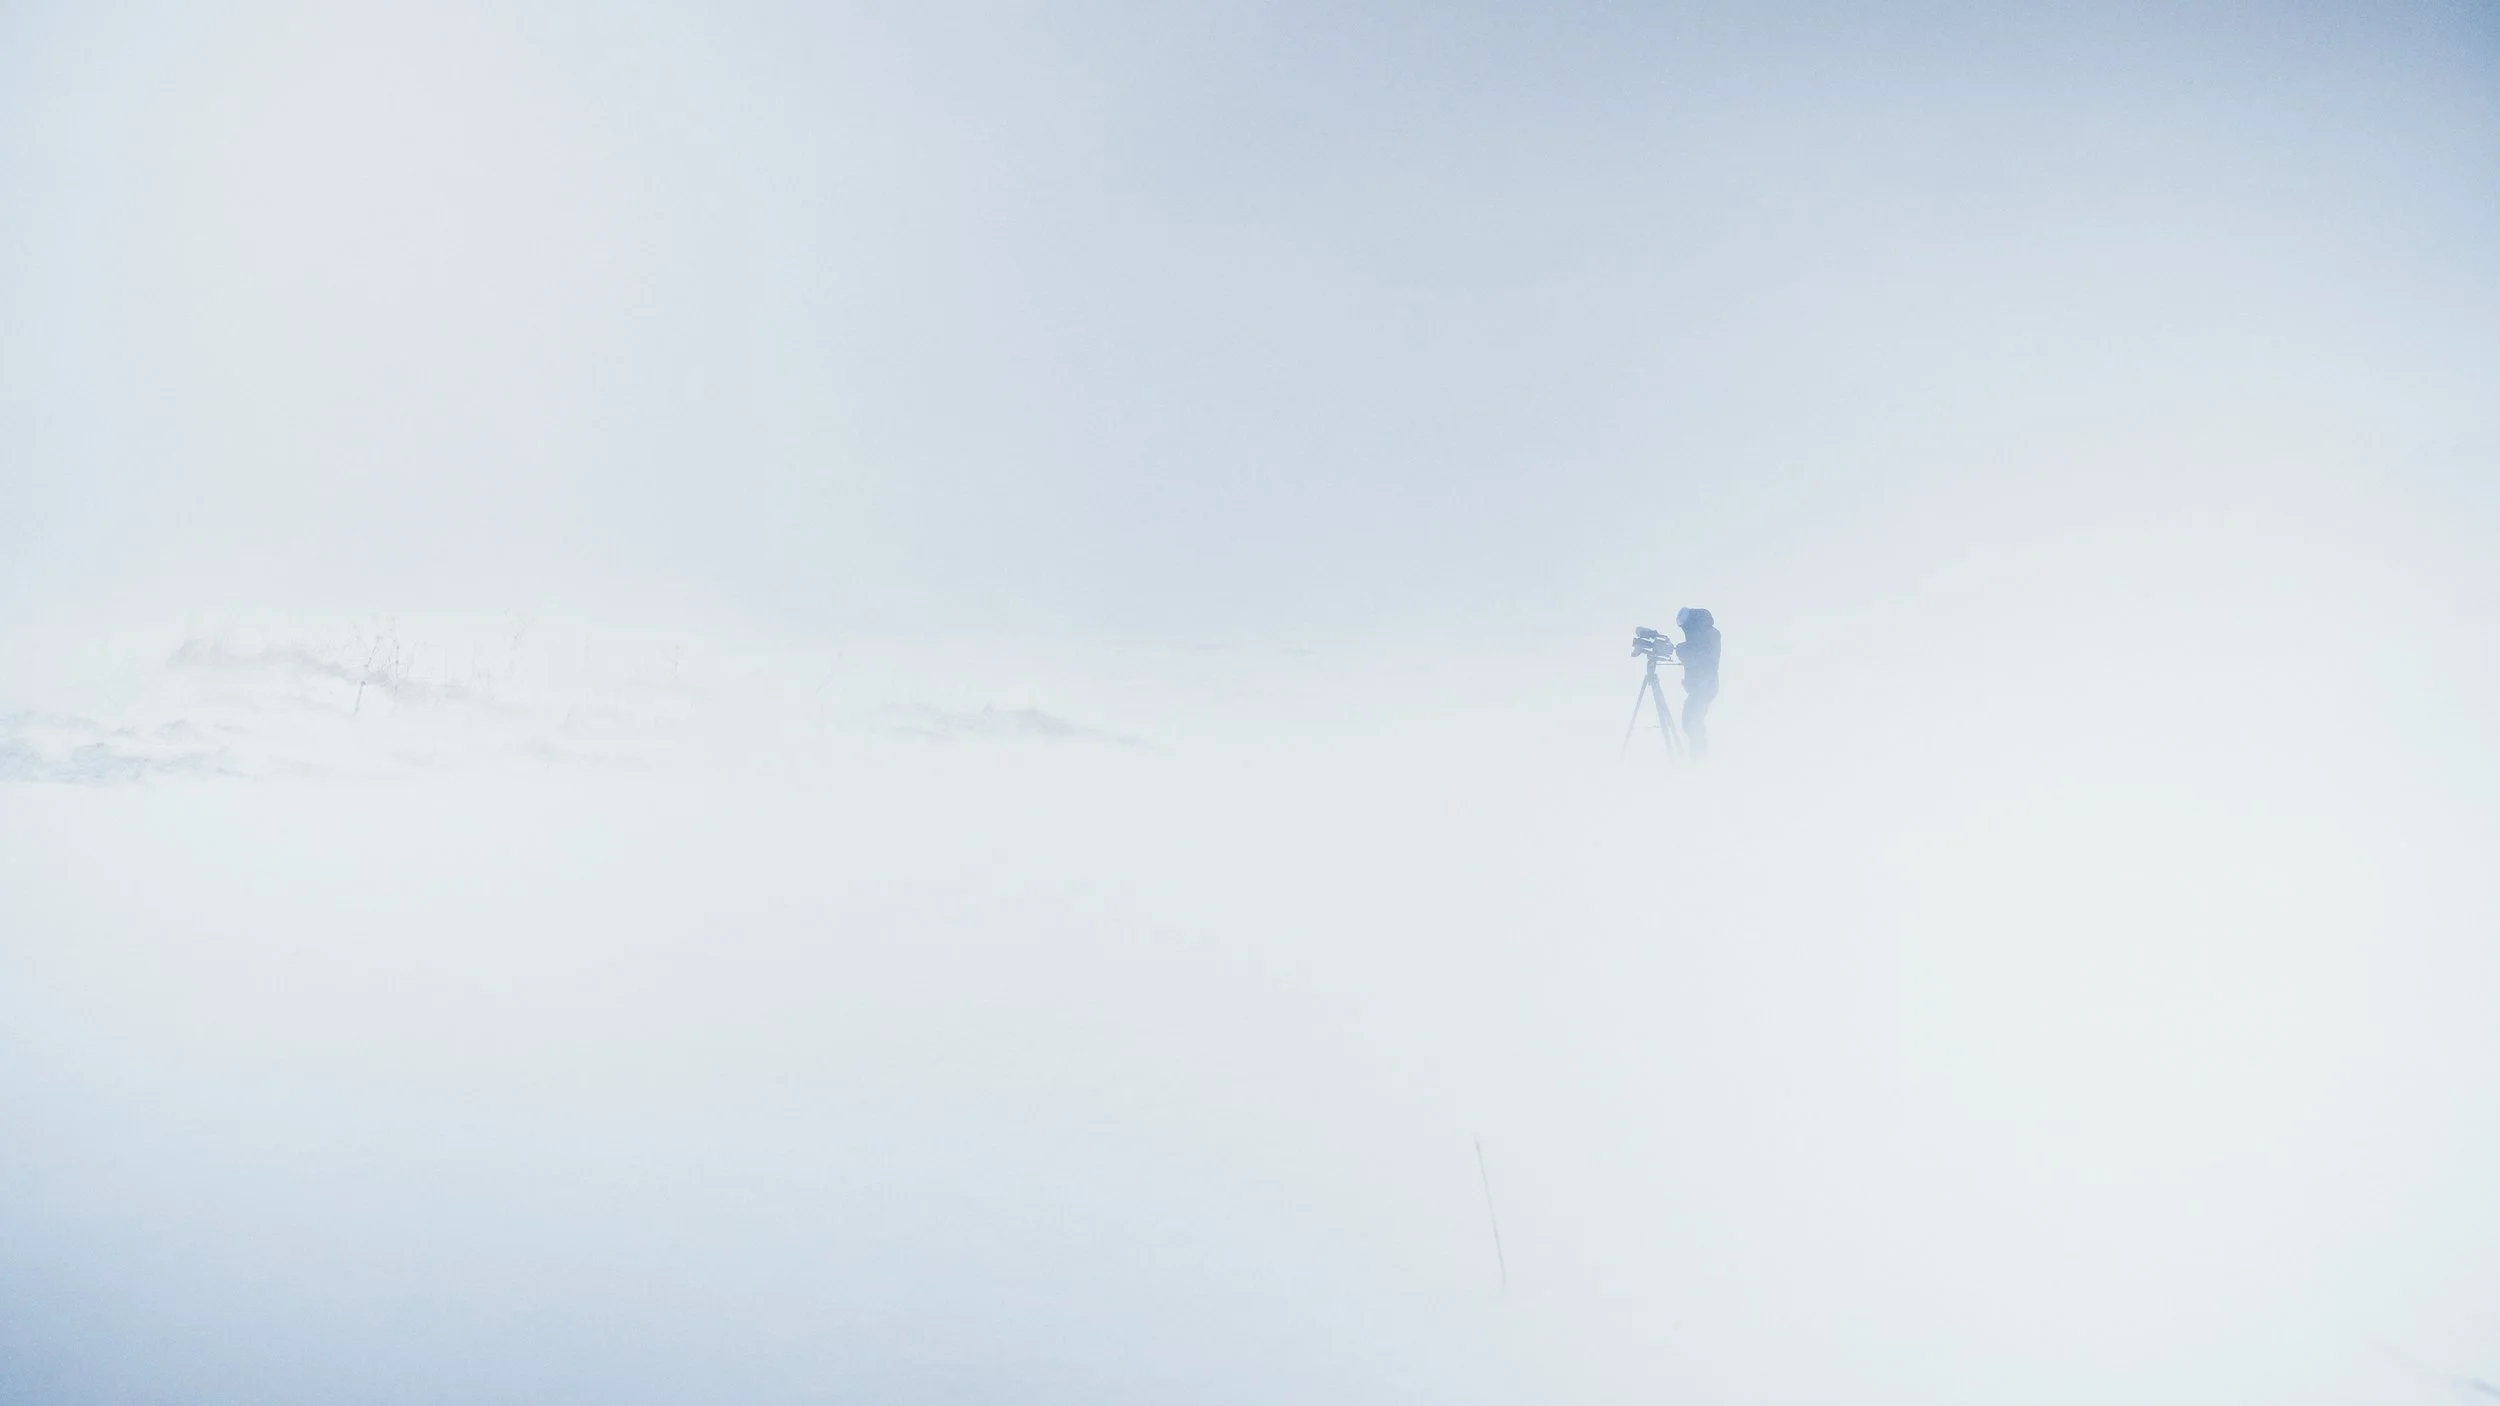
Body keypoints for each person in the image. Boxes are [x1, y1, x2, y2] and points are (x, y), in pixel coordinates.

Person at [1675, 607, 1720, 757]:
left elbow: (1700, 656)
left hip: (1705, 685)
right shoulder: (1703, 632)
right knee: (1690, 722)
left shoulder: (1704, 632)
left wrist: (1681, 650)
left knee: (1692, 722)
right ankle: (1698, 758)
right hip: (1703, 685)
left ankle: (1698, 761)